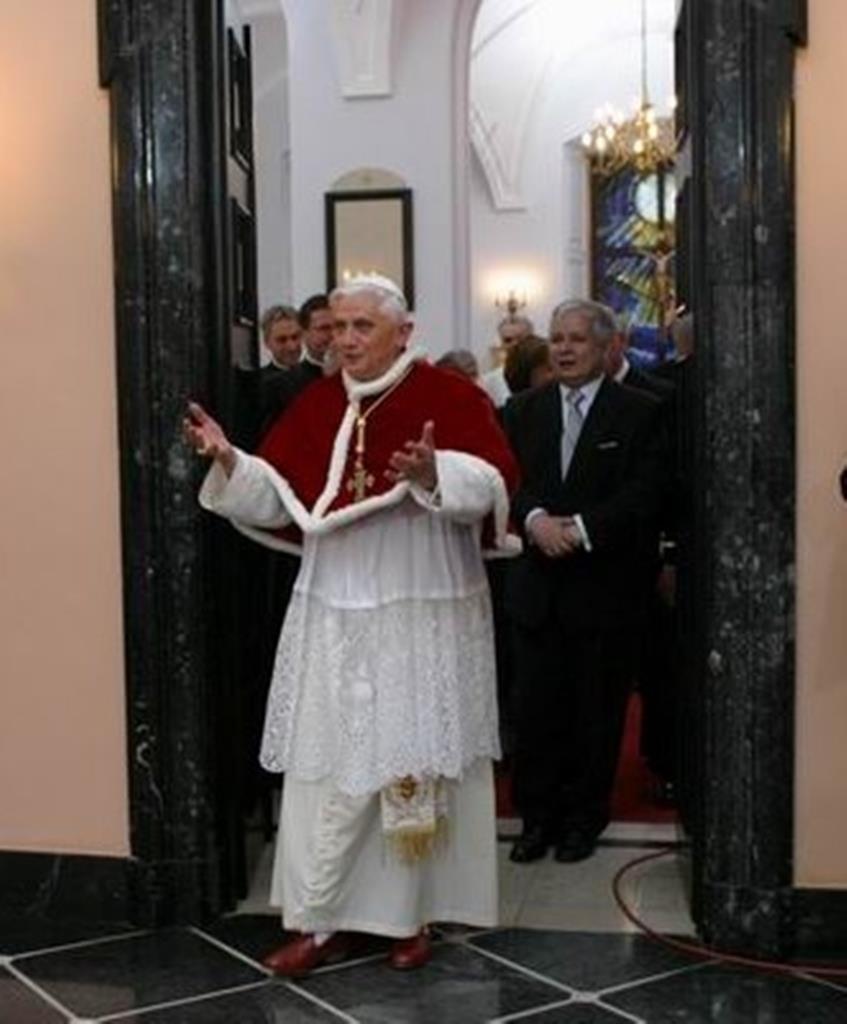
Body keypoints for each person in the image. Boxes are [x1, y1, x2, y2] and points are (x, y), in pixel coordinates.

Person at [184, 274, 519, 975]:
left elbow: (493, 483)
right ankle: (320, 918)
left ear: (404, 331)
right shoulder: (316, 401)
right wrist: (230, 461)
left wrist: (433, 473)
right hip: (335, 605)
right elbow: (280, 492)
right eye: (337, 327)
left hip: (421, 602)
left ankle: (410, 916)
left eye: (362, 326)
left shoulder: (449, 397)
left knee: (412, 760)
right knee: (329, 759)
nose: (346, 340)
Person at [503, 299, 665, 865]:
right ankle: (535, 820)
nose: (565, 349)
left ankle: (582, 821)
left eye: (576, 339)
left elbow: (646, 491)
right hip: (536, 590)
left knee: (596, 714)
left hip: (604, 589)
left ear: (605, 347)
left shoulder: (641, 411)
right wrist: (535, 520)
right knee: (535, 713)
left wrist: (580, 529)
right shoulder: (521, 410)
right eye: (557, 339)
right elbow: (506, 480)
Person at [259, 305, 304, 433]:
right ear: (267, 343)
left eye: (295, 337)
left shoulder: (316, 376)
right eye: (282, 340)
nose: (292, 346)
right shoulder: (260, 384)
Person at [481, 314, 534, 407]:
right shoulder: (489, 381)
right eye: (508, 340)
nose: (515, 344)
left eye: (521, 339)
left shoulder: (543, 376)